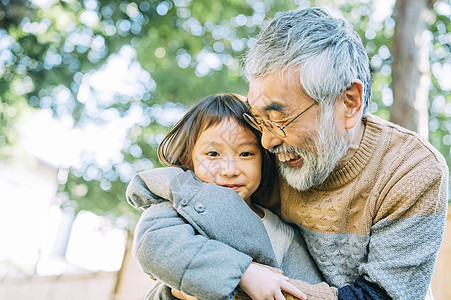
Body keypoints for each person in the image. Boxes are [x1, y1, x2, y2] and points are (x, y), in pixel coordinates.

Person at [129, 7, 449, 300]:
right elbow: (181, 228)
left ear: (349, 101)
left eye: (279, 116)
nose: (266, 141)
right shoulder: (263, 160)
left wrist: (245, 288)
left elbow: (385, 297)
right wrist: (188, 286)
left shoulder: (412, 171)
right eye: (259, 119)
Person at [127, 93, 330, 300]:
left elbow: (306, 287)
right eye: (213, 154)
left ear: (264, 158)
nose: (229, 170)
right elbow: (154, 244)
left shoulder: (283, 231)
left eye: (246, 154)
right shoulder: (180, 204)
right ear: (187, 159)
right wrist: (242, 272)